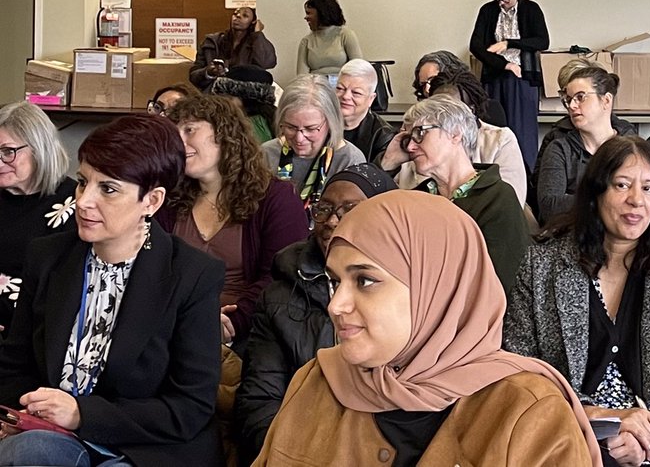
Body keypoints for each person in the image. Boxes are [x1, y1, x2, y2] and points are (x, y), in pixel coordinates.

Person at [253, 191, 600, 466]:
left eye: (365, 280)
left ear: (437, 288)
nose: (335, 305)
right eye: (334, 281)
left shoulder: (525, 411)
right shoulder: (316, 383)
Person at [0, 114, 224, 466]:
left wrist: (83, 415)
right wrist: (27, 411)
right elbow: (14, 367)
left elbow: (189, 406)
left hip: (145, 449)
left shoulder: (192, 275)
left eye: (108, 189)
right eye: (82, 182)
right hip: (51, 436)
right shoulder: (47, 256)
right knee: (31, 452)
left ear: (151, 201)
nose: (84, 201)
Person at [505, 136, 650, 467]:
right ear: (596, 193)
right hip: (566, 435)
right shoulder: (544, 263)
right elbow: (518, 368)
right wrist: (595, 417)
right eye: (622, 185)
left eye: (649, 189)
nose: (636, 200)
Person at [235, 164, 396, 463]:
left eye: (349, 209)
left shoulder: (405, 293)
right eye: (324, 209)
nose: (332, 221)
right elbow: (259, 401)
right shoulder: (280, 296)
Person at [158, 94, 309, 351]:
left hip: (250, 331)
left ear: (225, 133)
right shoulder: (167, 197)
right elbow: (152, 270)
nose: (179, 142)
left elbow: (281, 276)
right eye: (174, 134)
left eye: (189, 129)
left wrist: (233, 321)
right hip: (172, 326)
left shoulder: (276, 199)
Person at [402, 95, 530, 291]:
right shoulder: (416, 199)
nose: (410, 147)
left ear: (455, 133)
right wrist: (387, 162)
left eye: (420, 133)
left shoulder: (498, 199)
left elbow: (499, 285)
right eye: (407, 139)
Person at [386, 70, 528, 206]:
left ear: (469, 111)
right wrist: (387, 163)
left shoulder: (499, 140)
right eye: (435, 108)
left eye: (450, 109)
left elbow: (512, 201)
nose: (443, 113)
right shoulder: (416, 144)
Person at [0, 102, 76, 337]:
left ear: (39, 148)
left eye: (8, 152)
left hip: (32, 334)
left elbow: (60, 292)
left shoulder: (73, 204)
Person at [469, 0, 550, 170]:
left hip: (524, 80)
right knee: (493, 132)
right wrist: (505, 65)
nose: (502, 3)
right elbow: (476, 46)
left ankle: (525, 184)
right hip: (495, 78)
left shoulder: (531, 9)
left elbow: (542, 41)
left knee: (522, 134)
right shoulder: (487, 11)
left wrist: (508, 43)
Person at [537, 66, 637, 224]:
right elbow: (549, 206)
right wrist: (611, 198)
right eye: (569, 100)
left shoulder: (632, 148)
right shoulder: (559, 149)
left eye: (580, 97)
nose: (572, 106)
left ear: (606, 100)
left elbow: (644, 199)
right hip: (570, 237)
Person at [261, 75, 366, 214]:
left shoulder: (350, 160)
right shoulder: (266, 153)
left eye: (310, 129)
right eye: (290, 127)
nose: (299, 138)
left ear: (330, 123)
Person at [190, 7, 277, 90]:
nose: (238, 16)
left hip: (244, 95)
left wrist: (258, 34)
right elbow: (193, 75)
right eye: (235, 14)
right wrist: (208, 72)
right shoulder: (212, 41)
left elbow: (267, 63)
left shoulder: (256, 43)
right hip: (215, 96)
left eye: (245, 15)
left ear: (253, 22)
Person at [411, 51, 507, 126]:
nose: (427, 89)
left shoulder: (490, 111)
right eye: (423, 84)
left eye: (432, 80)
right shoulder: (420, 116)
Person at [335, 59, 396, 164]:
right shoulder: (319, 123)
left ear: (371, 99)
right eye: (340, 88)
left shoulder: (383, 135)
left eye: (356, 93)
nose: (345, 96)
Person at [296, 0, 363, 77]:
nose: (306, 17)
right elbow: (301, 77)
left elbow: (358, 69)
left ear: (321, 13)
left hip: (343, 86)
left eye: (309, 13)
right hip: (317, 87)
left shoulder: (346, 35)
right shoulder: (306, 41)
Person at [210, 65, 278, 144]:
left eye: (229, 98)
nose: (223, 102)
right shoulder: (271, 117)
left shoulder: (252, 126)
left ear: (247, 99)